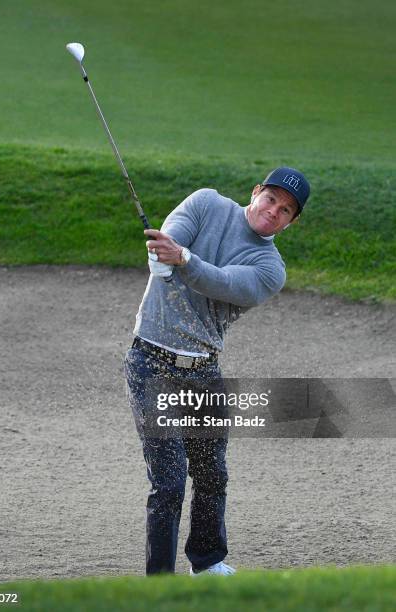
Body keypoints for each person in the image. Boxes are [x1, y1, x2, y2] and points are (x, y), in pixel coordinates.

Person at [124, 166, 310, 576]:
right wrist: (162, 256)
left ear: (292, 223)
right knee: (170, 482)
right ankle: (158, 583)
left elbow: (223, 281)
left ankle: (207, 562)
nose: (274, 210)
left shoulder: (269, 269)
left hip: (203, 369)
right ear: (256, 191)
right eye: (271, 198)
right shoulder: (207, 202)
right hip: (150, 360)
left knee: (212, 474)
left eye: (285, 210)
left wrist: (182, 258)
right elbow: (176, 229)